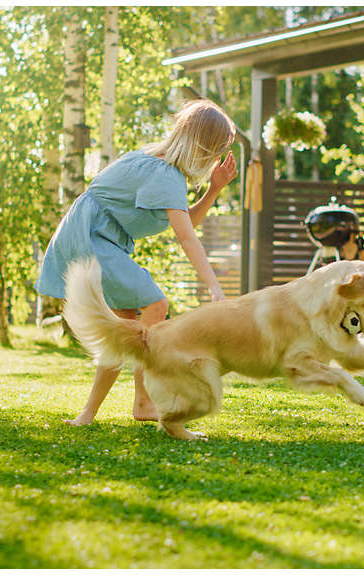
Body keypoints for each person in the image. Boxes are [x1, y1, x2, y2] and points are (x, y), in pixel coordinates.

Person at [35, 99, 238, 426]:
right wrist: (214, 286)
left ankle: (87, 415)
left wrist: (213, 190)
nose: (216, 159)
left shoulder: (162, 168)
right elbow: (186, 238)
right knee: (155, 303)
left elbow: (184, 225)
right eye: (218, 150)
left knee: (126, 327)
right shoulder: (166, 175)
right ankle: (144, 402)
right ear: (203, 146)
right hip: (90, 238)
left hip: (96, 239)